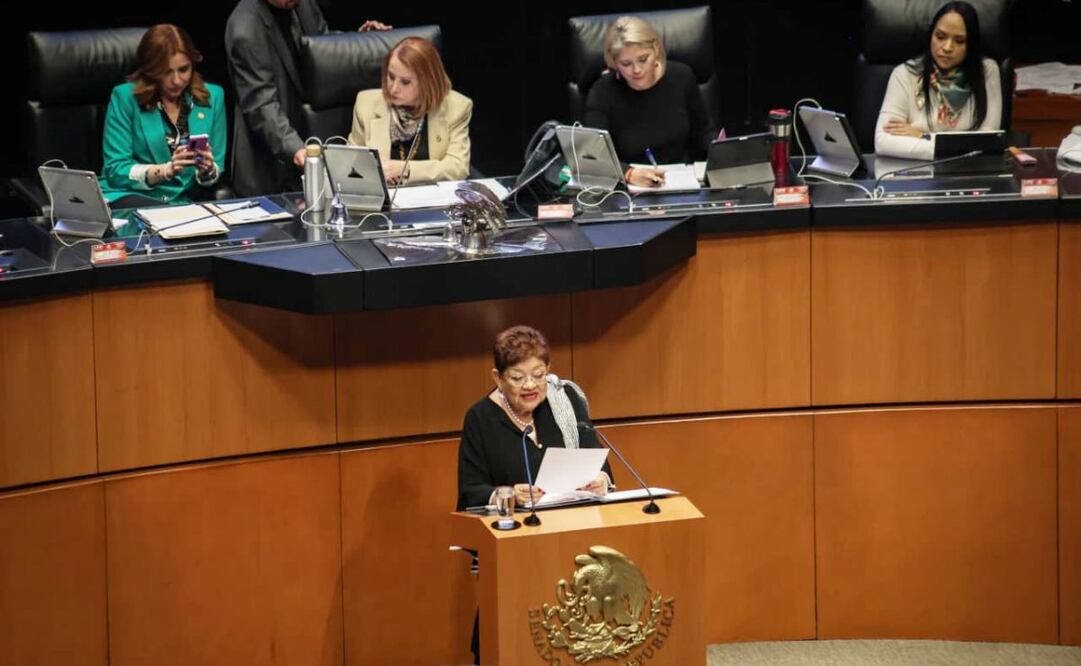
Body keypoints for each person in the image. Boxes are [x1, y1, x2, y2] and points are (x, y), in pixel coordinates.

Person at [225, 0, 390, 196]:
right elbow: (261, 104)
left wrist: (358, 40)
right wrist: (296, 149)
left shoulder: (302, 4)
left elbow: (321, 46)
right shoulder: (245, 28)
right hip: (269, 162)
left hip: (307, 139)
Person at [457, 325, 613, 512]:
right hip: (512, 528)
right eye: (517, 378)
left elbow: (595, 459)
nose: (530, 385)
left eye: (538, 375)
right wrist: (509, 495)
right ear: (498, 378)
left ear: (548, 368)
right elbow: (471, 491)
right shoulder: (480, 418)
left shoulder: (565, 399)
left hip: (572, 520)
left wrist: (601, 480)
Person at [99, 25, 226, 209]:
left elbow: (217, 165)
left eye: (183, 69)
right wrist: (165, 171)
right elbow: (116, 170)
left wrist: (207, 170)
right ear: (151, 70)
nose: (177, 80)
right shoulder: (125, 97)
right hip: (132, 197)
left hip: (185, 203)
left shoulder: (212, 97)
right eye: (166, 72)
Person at [583, 16, 716, 189]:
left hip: (681, 182)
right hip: (629, 190)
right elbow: (592, 155)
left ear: (656, 49)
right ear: (614, 63)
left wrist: (724, 155)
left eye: (643, 59)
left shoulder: (682, 76)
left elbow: (703, 132)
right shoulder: (603, 91)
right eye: (626, 63)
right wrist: (628, 173)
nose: (636, 70)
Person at [874, 1, 1002, 160]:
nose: (947, 47)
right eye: (940, 37)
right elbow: (883, 141)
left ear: (971, 44)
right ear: (931, 35)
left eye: (959, 41)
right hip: (915, 174)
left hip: (966, 171)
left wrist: (923, 136)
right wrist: (952, 147)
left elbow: (987, 140)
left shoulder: (987, 72)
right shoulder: (905, 74)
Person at [348, 37, 472, 184]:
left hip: (433, 199)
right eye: (391, 76)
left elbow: (457, 168)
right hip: (385, 201)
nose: (393, 88)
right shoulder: (366, 103)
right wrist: (369, 166)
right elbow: (350, 163)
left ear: (428, 82)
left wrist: (404, 169)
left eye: (405, 82)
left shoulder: (457, 107)